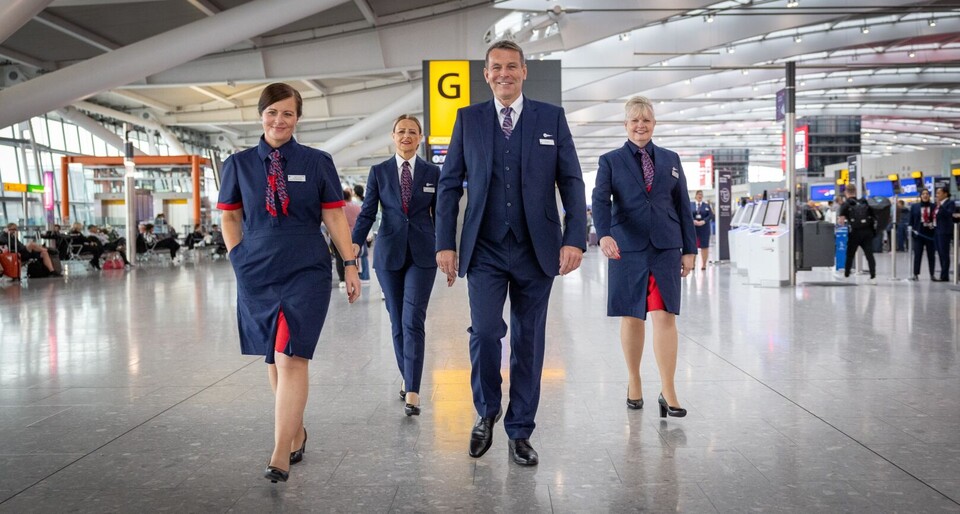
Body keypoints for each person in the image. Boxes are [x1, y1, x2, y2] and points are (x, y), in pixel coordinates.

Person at [435, 40, 587, 466]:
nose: (504, 73)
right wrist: (444, 242)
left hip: (536, 248)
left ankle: (520, 430)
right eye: (496, 67)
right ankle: (486, 412)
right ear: (486, 74)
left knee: (529, 340)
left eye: (511, 67)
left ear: (523, 72)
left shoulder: (550, 118)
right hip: (483, 248)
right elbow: (449, 185)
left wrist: (575, 237)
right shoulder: (468, 120)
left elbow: (571, 181)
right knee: (484, 333)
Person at [217, 82, 360, 484]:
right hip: (256, 268)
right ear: (261, 115)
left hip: (306, 267)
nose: (279, 120)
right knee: (274, 354)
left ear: (298, 118)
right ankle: (295, 431)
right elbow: (229, 216)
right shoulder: (239, 164)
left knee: (292, 355)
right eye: (272, 112)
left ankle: (280, 451)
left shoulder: (317, 162)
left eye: (288, 114)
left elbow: (333, 216)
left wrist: (349, 263)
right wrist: (237, 257)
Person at [592, 95, 696, 422]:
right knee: (633, 315)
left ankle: (668, 389)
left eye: (646, 120)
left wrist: (690, 249)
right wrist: (604, 233)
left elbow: (683, 207)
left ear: (654, 124)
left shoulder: (671, 159)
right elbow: (599, 200)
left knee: (665, 316)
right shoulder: (611, 161)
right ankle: (634, 380)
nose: (641, 125)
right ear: (626, 125)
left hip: (666, 247)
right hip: (627, 247)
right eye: (635, 120)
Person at [352, 114, 439, 417]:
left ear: (420, 138)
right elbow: (367, 212)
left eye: (412, 132)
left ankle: (412, 390)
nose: (406, 136)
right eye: (401, 131)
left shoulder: (432, 172)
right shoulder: (378, 172)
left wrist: (448, 250)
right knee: (396, 320)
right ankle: (408, 376)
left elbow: (442, 214)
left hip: (423, 255)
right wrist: (355, 242)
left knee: (413, 318)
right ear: (393, 136)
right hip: (388, 255)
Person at [837, 185, 876, 282]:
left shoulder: (846, 204)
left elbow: (841, 221)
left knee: (850, 254)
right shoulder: (864, 202)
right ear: (855, 191)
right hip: (867, 232)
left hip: (855, 232)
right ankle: (873, 277)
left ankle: (846, 275)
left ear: (846, 192)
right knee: (869, 255)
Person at [332, 188, 361, 288]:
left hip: (338, 235)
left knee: (339, 258)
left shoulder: (339, 208)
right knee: (354, 255)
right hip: (353, 234)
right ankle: (356, 274)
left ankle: (342, 279)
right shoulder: (357, 207)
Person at [909, 189, 937, 281]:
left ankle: (932, 274)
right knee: (917, 255)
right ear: (920, 196)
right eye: (923, 194)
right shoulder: (915, 207)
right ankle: (916, 274)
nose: (925, 195)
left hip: (930, 235)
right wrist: (912, 231)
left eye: (927, 194)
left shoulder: (934, 206)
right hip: (918, 234)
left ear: (929, 196)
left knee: (931, 255)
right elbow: (911, 221)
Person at [933, 187, 957, 282]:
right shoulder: (938, 205)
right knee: (940, 253)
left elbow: (949, 214)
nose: (937, 195)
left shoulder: (949, 203)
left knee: (944, 253)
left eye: (939, 193)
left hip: (944, 231)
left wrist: (941, 207)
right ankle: (943, 274)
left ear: (945, 194)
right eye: (936, 193)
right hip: (937, 230)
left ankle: (945, 275)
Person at [352, 183, 371, 282]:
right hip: (365, 232)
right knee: (364, 255)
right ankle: (365, 275)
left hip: (357, 233)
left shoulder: (354, 204)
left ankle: (362, 275)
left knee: (357, 254)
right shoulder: (364, 202)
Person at [691, 190, 713, 270]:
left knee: (704, 246)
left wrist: (704, 221)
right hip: (694, 228)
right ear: (695, 196)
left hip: (704, 229)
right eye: (698, 194)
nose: (700, 196)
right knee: (693, 246)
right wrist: (693, 220)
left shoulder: (706, 205)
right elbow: (687, 214)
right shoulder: (691, 205)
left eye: (701, 194)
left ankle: (704, 265)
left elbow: (710, 215)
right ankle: (692, 264)